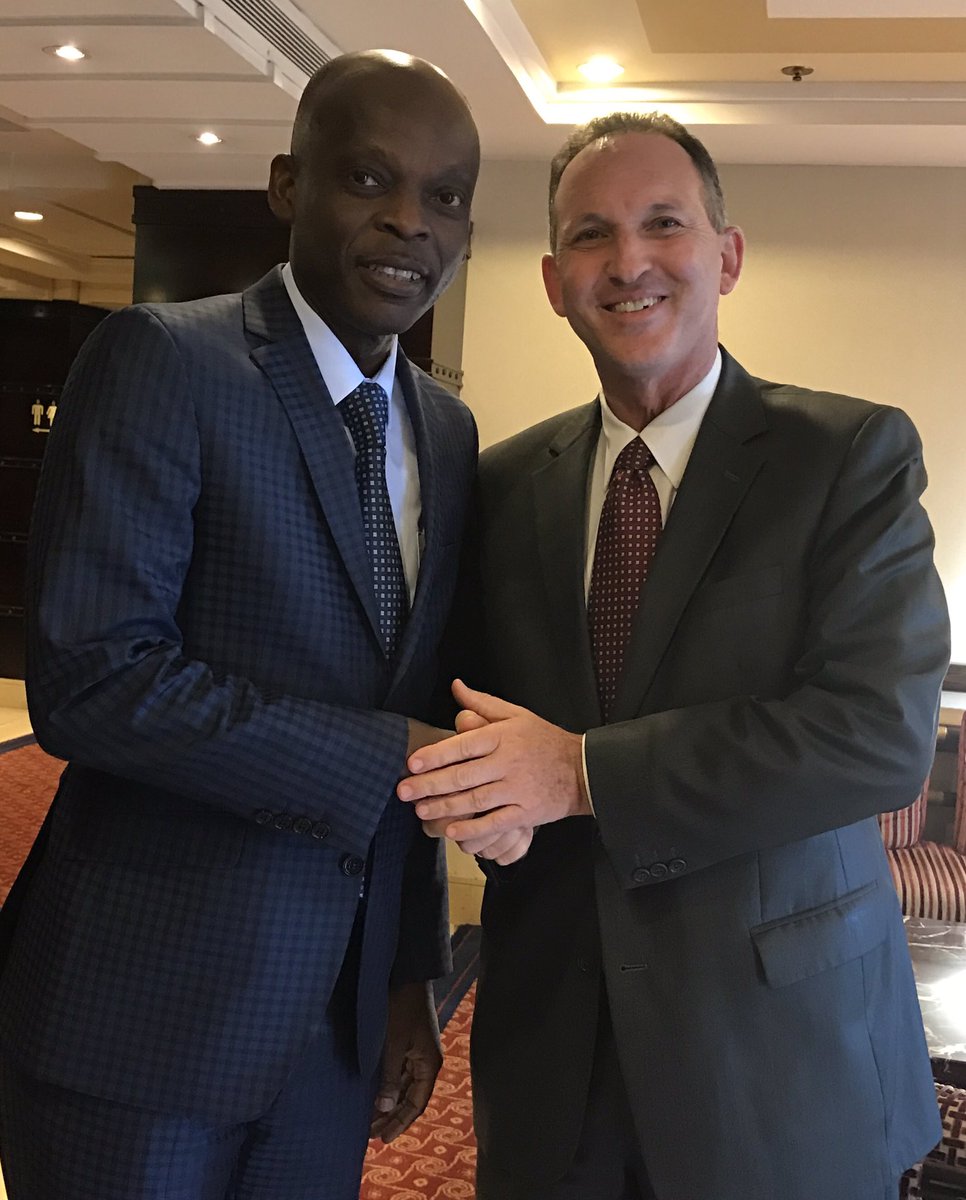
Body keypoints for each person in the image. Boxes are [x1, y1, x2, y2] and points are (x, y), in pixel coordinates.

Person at [398, 112, 950, 1200]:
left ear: (726, 256)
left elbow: (879, 739)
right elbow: (460, 720)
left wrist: (578, 774)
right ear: (554, 283)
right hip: (551, 1049)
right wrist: (481, 808)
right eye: (591, 235)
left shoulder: (847, 456)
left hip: (778, 1058)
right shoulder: (498, 484)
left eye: (664, 224)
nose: (629, 261)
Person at [0, 50, 480, 1200]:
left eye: (446, 196)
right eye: (369, 179)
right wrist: (389, 759)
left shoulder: (450, 433)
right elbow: (93, 678)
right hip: (141, 1021)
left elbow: (413, 697)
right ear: (287, 185)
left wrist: (407, 977)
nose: (410, 222)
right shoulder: (165, 360)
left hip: (331, 1043)